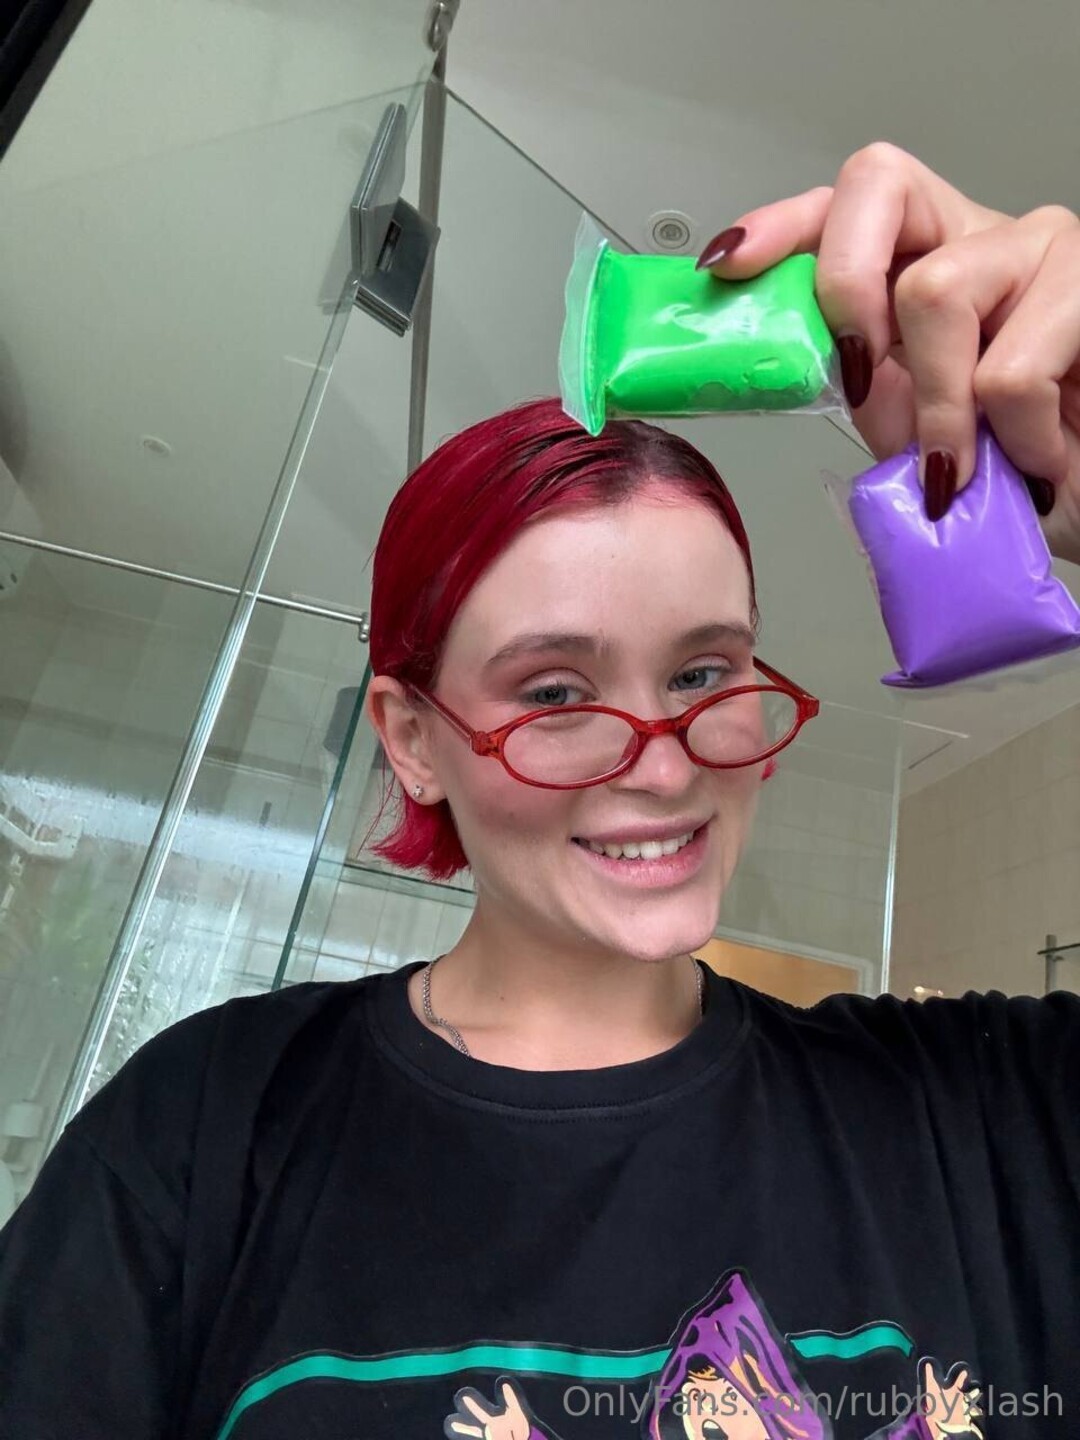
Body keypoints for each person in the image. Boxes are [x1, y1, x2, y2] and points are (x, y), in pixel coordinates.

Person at [1, 143, 1079, 1440]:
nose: (666, 764)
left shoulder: (980, 1115)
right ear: (411, 739)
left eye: (703, 671)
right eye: (557, 693)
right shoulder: (206, 1131)